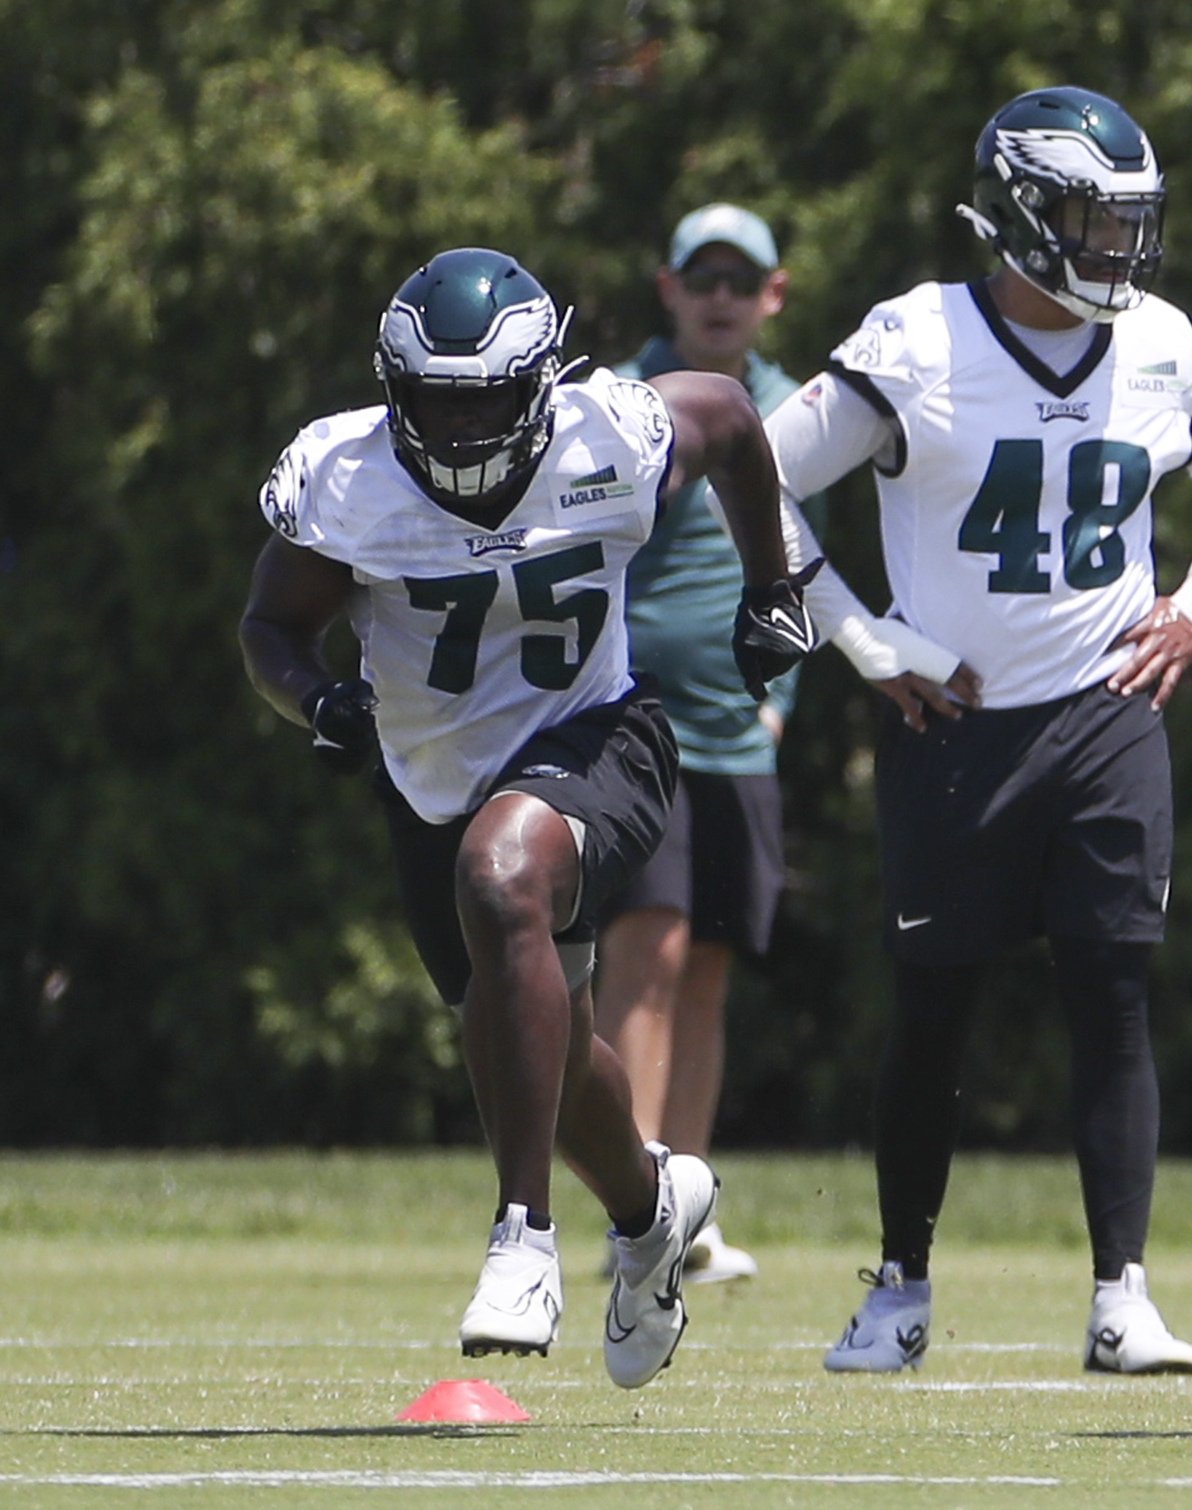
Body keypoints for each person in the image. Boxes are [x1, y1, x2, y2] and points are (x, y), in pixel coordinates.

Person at [765, 86, 1192, 1375]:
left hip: (1109, 713)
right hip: (957, 720)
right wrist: (856, 632)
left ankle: (1123, 1293)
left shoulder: (1163, 342)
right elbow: (758, 475)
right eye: (1088, 220)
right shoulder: (919, 341)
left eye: (1127, 222)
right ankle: (899, 1286)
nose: (1115, 247)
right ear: (1017, 213)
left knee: (1114, 997)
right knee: (934, 1007)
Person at [238, 248, 813, 1383]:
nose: (460, 432)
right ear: (395, 392)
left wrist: (773, 587)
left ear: (541, 384)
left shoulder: (612, 435)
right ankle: (655, 1207)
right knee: (547, 1058)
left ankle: (523, 1236)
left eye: (487, 401)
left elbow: (739, 419)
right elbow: (270, 627)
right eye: (437, 404)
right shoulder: (345, 476)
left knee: (504, 877)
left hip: (599, 738)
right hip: (428, 778)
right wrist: (318, 699)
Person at [594, 205, 803, 1286]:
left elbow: (801, 557)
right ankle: (631, 1206)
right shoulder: (627, 404)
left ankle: (691, 1202)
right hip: (640, 719)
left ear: (773, 295)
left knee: (709, 967)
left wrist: (784, 702)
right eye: (702, 276)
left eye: (743, 278)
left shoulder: (795, 405)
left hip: (741, 731)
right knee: (650, 952)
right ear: (668, 288)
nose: (721, 294)